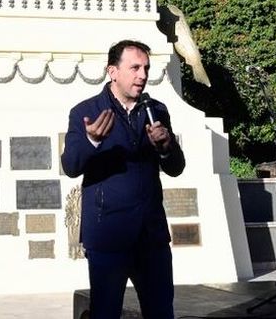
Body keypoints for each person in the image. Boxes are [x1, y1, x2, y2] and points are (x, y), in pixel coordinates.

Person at [62, 39, 185, 319]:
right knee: (105, 313)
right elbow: (70, 165)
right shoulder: (85, 112)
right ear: (113, 72)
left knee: (161, 312)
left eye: (146, 68)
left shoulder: (158, 110)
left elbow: (176, 167)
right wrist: (92, 140)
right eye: (135, 68)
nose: (143, 75)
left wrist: (166, 148)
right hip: (108, 236)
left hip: (151, 237)